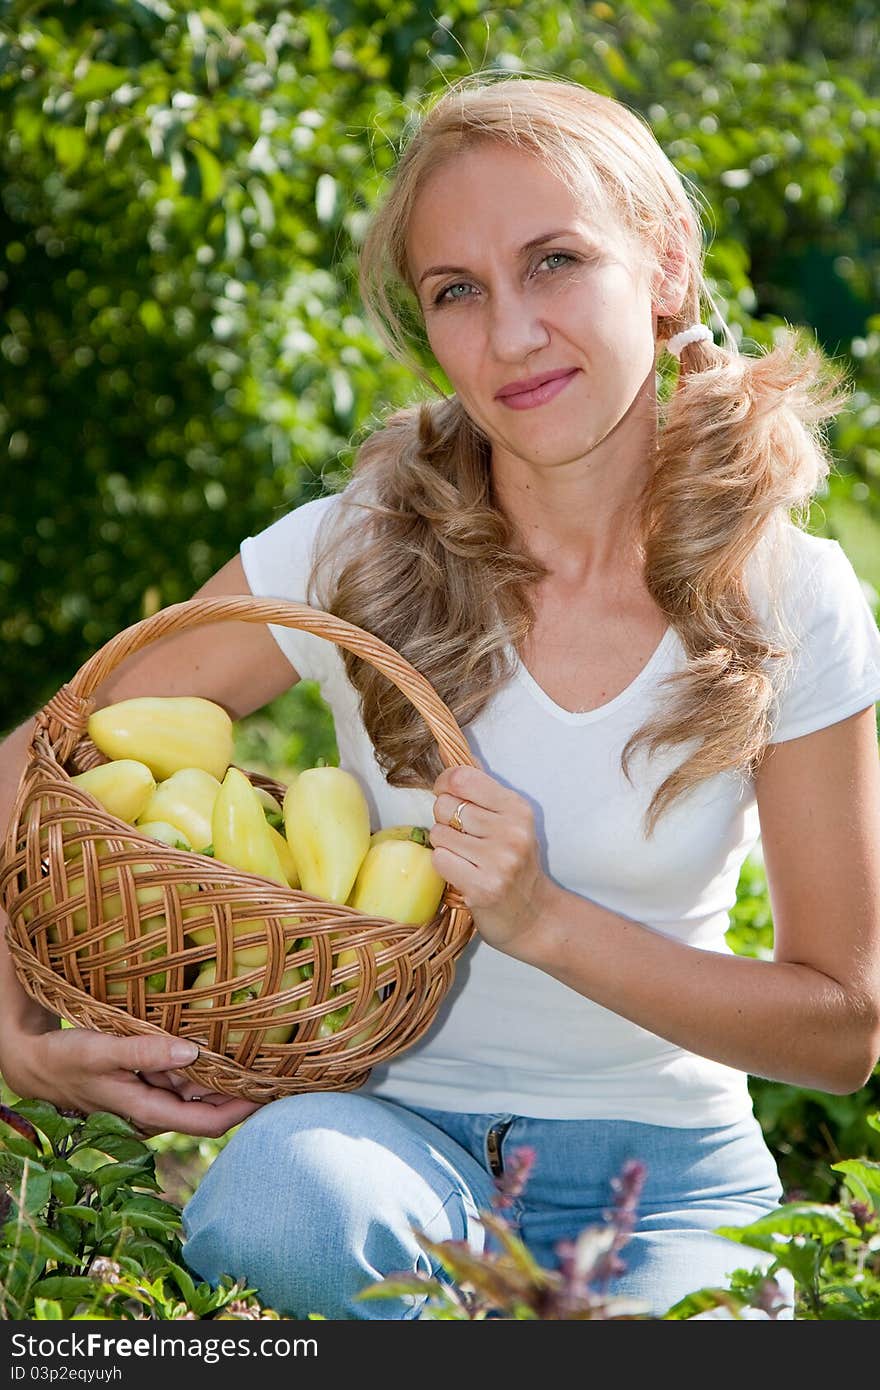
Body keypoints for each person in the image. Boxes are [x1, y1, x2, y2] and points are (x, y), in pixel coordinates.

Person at [2, 71, 880, 1323]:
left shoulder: (791, 594)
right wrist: (12, 1029)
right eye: (455, 291)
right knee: (278, 1206)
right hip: (381, 1144)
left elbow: (841, 1029)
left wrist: (543, 919)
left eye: (556, 261)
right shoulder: (354, 547)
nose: (510, 332)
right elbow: (29, 771)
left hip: (667, 1179)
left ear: (667, 266)